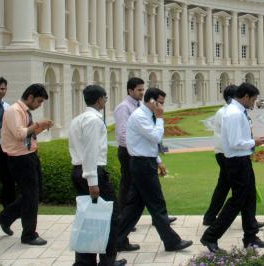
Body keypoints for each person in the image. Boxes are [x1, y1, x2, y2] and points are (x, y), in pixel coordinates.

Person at [117, 88, 192, 252]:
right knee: (157, 204)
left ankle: (117, 240)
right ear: (151, 101)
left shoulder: (146, 115)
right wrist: (159, 118)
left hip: (146, 162)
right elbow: (156, 137)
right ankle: (171, 241)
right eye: (161, 103)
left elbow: (149, 144)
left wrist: (158, 161)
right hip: (142, 165)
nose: (162, 107)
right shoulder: (140, 117)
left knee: (134, 207)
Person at [200, 83, 264, 252]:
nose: (254, 103)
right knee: (237, 201)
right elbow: (234, 142)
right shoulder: (233, 114)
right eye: (253, 99)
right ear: (245, 96)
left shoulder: (238, 112)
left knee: (249, 198)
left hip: (242, 159)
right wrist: (255, 142)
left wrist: (252, 142)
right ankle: (210, 236)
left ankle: (251, 237)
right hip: (236, 162)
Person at [69, 85, 126, 266]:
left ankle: (84, 262)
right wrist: (93, 181)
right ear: (100, 99)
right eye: (105, 98)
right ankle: (107, 261)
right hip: (92, 173)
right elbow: (90, 151)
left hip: (79, 170)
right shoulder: (94, 120)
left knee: (88, 218)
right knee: (110, 216)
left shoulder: (77, 119)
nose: (105, 102)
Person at [0, 83, 53, 245]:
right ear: (30, 97)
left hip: (30, 155)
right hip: (19, 158)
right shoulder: (14, 111)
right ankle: (29, 234)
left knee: (35, 194)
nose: (39, 105)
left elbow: (29, 135)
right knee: (31, 197)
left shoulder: (24, 111)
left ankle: (5, 217)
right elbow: (20, 134)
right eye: (39, 101)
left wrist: (41, 128)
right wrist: (38, 124)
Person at [114, 77, 175, 232]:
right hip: (133, 155)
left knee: (136, 200)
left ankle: (120, 235)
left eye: (143, 89)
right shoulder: (128, 109)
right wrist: (133, 148)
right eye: (139, 90)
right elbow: (125, 134)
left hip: (142, 155)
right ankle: (169, 237)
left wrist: (157, 158)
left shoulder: (142, 109)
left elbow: (150, 140)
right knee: (134, 190)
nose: (142, 92)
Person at [203, 84, 237, 226]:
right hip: (227, 154)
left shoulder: (225, 111)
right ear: (231, 98)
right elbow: (232, 137)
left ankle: (210, 217)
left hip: (223, 153)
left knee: (223, 187)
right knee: (240, 189)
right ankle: (217, 218)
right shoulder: (227, 113)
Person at [0, 77, 16, 208]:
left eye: (3, 88)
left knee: (8, 180)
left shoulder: (8, 107)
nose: (0, 91)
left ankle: (9, 212)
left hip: (6, 147)